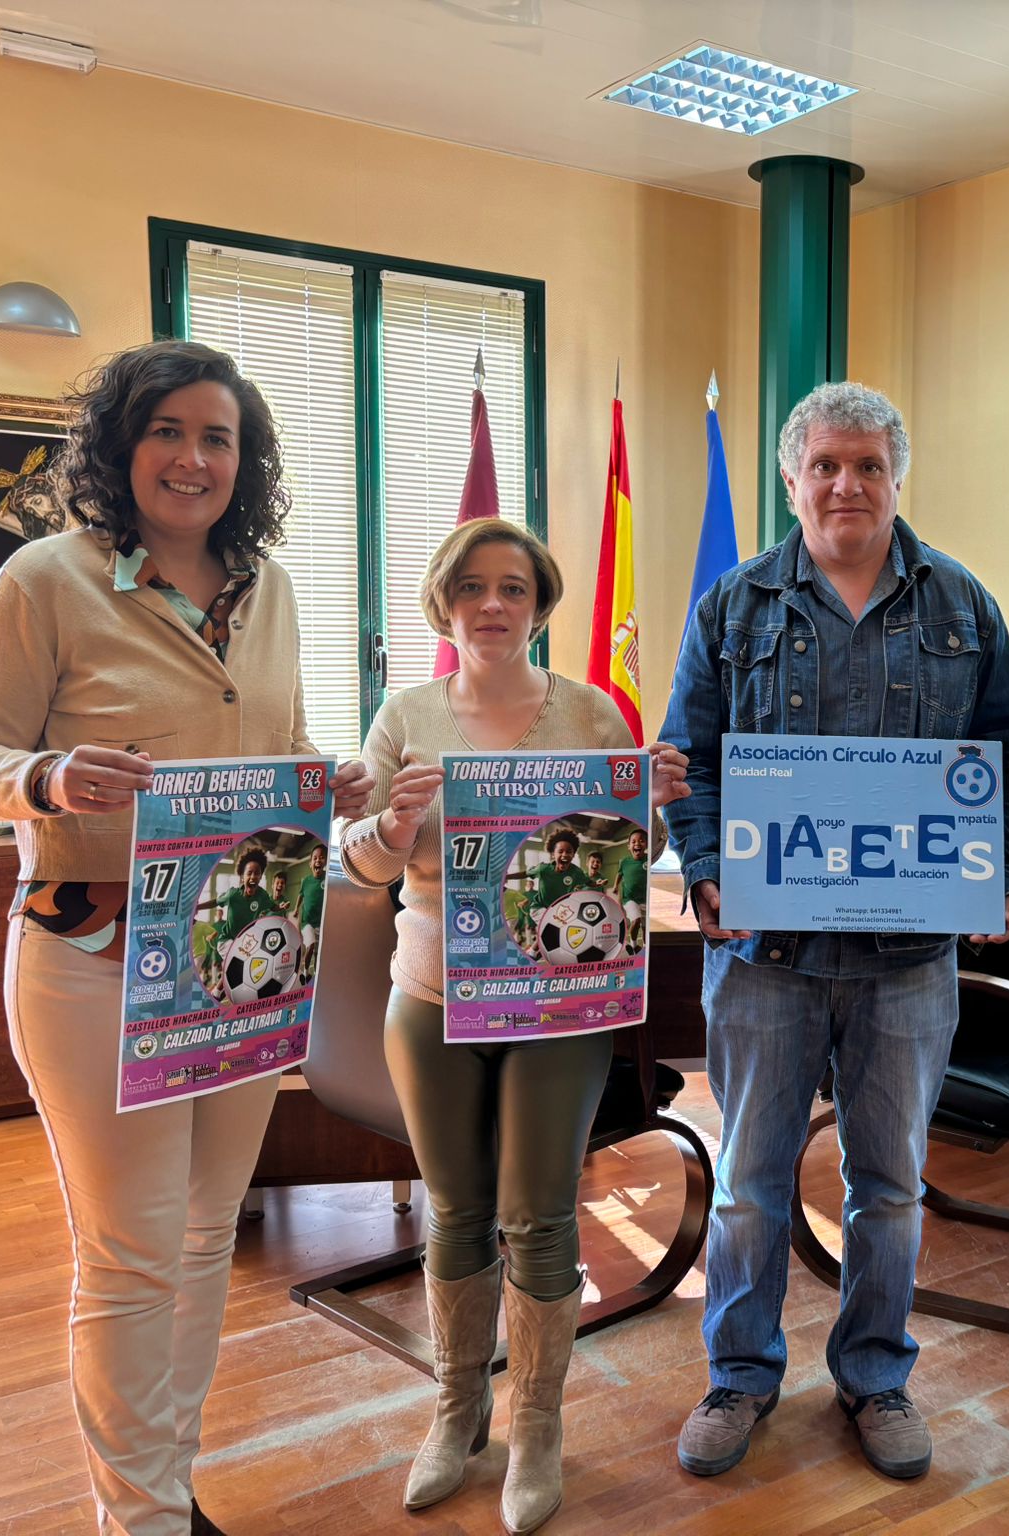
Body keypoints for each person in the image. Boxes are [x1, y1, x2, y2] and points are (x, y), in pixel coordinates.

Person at [0, 340, 373, 1536]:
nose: (193, 457)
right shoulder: (45, 576)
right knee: (130, 1252)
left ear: (246, 460)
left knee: (197, 1239)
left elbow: (277, 742)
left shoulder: (271, 587)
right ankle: (134, 1520)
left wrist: (322, 777)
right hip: (91, 955)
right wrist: (46, 776)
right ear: (121, 447)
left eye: (218, 437)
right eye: (168, 431)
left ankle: (163, 1488)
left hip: (240, 950)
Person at [661, 381, 1009, 1484]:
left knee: (891, 1187)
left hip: (907, 962)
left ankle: (874, 1376)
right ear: (792, 477)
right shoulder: (733, 606)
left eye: (867, 465)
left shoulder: (961, 604)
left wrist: (991, 879)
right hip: (766, 959)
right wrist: (708, 864)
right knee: (746, 1185)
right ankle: (739, 1374)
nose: (845, 485)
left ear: (893, 476)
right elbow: (693, 756)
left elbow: (1001, 757)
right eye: (824, 465)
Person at [339, 516, 688, 1533]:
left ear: (539, 607)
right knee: (453, 1215)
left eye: (515, 591)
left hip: (555, 1007)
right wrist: (391, 830)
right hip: (432, 1000)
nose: (494, 606)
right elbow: (354, 862)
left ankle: (536, 1426)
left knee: (536, 1217)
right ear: (445, 601)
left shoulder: (587, 712)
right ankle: (457, 1417)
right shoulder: (403, 715)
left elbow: (626, 859)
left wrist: (655, 806)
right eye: (475, 588)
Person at [611, 827, 649, 949]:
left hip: (645, 899)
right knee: (636, 920)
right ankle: (633, 945)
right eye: (633, 842)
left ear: (647, 844)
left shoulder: (649, 859)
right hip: (630, 898)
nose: (637, 843)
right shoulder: (625, 862)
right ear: (628, 846)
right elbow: (619, 873)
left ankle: (644, 946)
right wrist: (615, 885)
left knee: (645, 926)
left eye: (641, 841)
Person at [295, 843, 327, 981]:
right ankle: (304, 972)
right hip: (306, 921)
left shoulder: (327, 879)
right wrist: (296, 908)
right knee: (311, 944)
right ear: (310, 863)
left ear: (326, 861)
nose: (318, 860)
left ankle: (315, 973)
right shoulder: (306, 881)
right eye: (315, 858)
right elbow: (301, 895)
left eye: (321, 858)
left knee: (318, 951)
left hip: (321, 922)